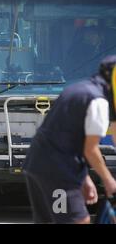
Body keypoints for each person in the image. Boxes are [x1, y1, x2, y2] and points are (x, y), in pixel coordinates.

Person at [23, 55, 116, 224]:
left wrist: (84, 179)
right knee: (78, 220)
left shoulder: (79, 89)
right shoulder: (98, 102)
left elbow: (70, 138)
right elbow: (90, 149)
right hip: (58, 169)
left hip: (36, 165)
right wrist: (109, 181)